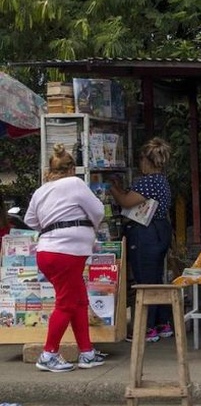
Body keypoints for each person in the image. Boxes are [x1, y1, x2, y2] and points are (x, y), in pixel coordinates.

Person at [23, 143, 107, 372]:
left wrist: (52, 223)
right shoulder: (75, 183)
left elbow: (31, 221)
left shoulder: (41, 190)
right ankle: (49, 354)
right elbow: (98, 210)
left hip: (47, 250)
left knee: (79, 300)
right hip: (68, 251)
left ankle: (87, 352)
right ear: (72, 169)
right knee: (67, 303)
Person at [109, 137, 173, 343]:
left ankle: (146, 328)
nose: (139, 164)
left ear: (147, 161)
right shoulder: (161, 180)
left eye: (141, 160)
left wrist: (113, 189)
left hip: (145, 233)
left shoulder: (147, 182)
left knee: (145, 281)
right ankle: (162, 323)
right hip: (160, 230)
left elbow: (127, 201)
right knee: (155, 279)